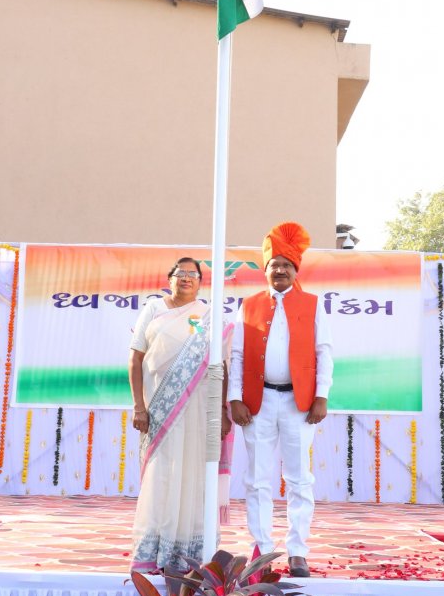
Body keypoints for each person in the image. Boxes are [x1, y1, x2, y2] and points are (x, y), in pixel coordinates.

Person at [228, 221, 333, 577]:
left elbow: (324, 352)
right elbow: (237, 356)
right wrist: (234, 398)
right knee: (256, 479)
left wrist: (321, 395)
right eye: (275, 266)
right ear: (267, 271)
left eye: (286, 266)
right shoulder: (250, 305)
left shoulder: (312, 304)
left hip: (298, 404)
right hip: (257, 404)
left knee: (299, 477)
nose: (280, 271)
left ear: (295, 270)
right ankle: (263, 550)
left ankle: (297, 551)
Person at [128, 257, 232, 573]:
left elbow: (221, 367)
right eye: (180, 273)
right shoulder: (153, 310)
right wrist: (139, 407)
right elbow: (135, 361)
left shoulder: (209, 316)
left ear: (201, 282)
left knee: (194, 475)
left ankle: (191, 549)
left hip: (199, 410)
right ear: (169, 278)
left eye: (192, 274)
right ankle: (155, 548)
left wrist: (224, 411)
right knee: (161, 476)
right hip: (160, 410)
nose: (186, 278)